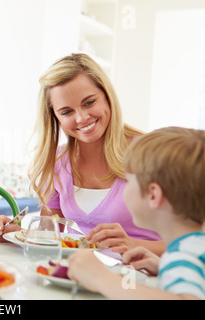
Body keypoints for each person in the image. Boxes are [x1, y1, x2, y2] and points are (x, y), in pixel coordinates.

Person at [29, 53, 164, 255]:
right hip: (84, 278)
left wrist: (133, 244)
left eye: (89, 102)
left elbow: (195, 244)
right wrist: (15, 235)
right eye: (66, 112)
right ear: (55, 117)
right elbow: (48, 240)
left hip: (144, 279)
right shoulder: (57, 162)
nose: (82, 118)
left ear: (107, 96)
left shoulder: (153, 153)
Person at [68, 126, 205, 300]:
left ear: (154, 195)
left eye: (128, 179)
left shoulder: (183, 258)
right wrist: (162, 267)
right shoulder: (193, 250)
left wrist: (101, 279)